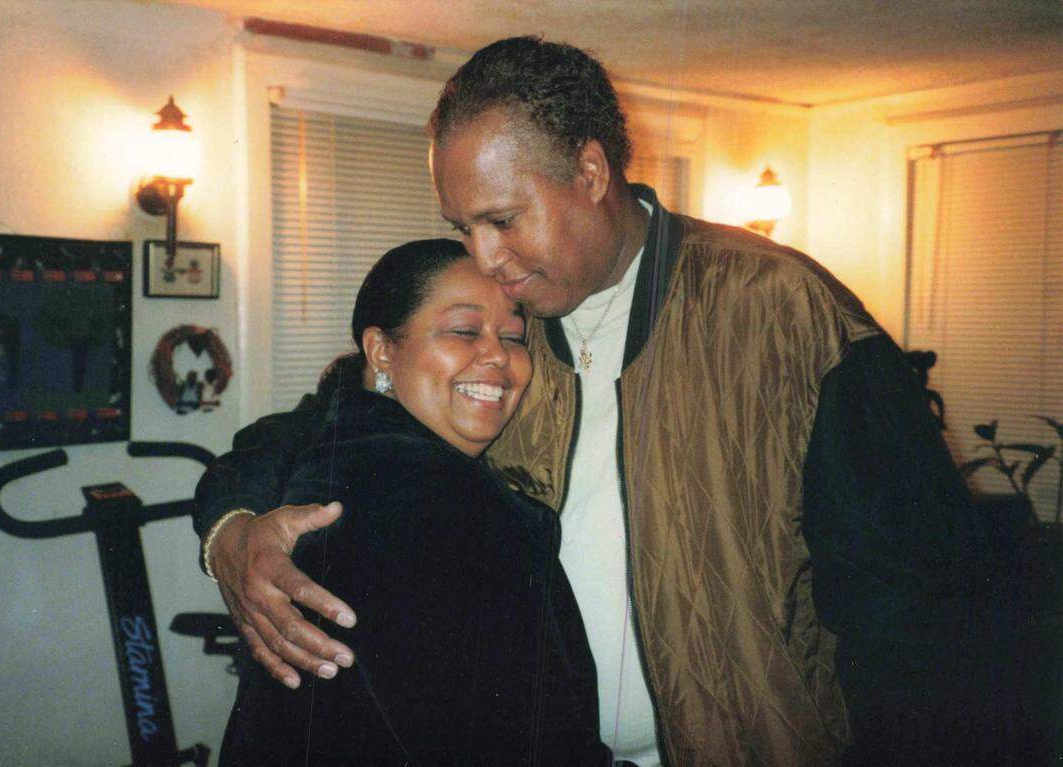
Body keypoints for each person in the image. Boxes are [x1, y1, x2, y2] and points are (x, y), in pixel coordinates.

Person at [196, 37, 993, 766]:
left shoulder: (784, 313)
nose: (484, 257)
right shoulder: (507, 330)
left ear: (589, 172)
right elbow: (315, 426)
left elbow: (916, 613)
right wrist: (232, 533)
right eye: (463, 227)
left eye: (502, 219)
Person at [217, 238, 610, 765]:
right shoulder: (435, 493)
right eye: (464, 331)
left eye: (513, 337)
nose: (497, 355)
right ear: (381, 350)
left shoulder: (343, 449)